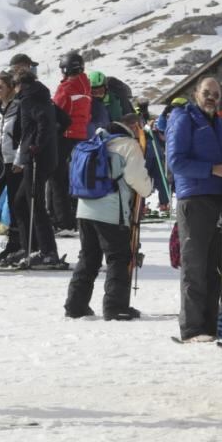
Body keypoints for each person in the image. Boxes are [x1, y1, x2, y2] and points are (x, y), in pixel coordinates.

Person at [165, 77, 222, 343]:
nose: (211, 97)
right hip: (194, 198)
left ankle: (212, 327)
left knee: (216, 267)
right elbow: (175, 161)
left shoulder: (221, 124)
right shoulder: (183, 119)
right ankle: (192, 328)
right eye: (207, 92)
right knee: (195, 266)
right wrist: (211, 170)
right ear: (196, 94)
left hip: (220, 200)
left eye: (216, 94)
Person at [64, 112, 153, 320]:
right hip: (111, 212)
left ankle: (75, 305)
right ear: (134, 126)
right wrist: (149, 187)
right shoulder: (129, 145)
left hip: (84, 209)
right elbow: (136, 179)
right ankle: (115, 307)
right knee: (118, 258)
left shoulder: (94, 140)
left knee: (88, 257)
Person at [5, 71, 62, 269]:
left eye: (14, 84)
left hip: (37, 158)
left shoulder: (30, 99)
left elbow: (44, 122)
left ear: (20, 84)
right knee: (20, 202)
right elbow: (63, 120)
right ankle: (30, 246)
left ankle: (47, 251)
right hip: (42, 157)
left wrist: (37, 145)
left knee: (35, 203)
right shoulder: (43, 96)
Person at [49, 51, 92, 231]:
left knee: (58, 179)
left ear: (66, 69)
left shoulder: (66, 88)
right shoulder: (86, 87)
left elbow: (56, 110)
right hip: (81, 136)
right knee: (75, 178)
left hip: (65, 136)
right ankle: (77, 218)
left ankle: (63, 221)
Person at [0, 72, 23, 262]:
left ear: (10, 87)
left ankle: (15, 244)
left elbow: (23, 135)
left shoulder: (19, 107)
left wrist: (19, 160)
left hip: (14, 163)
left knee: (14, 203)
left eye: (0, 86)